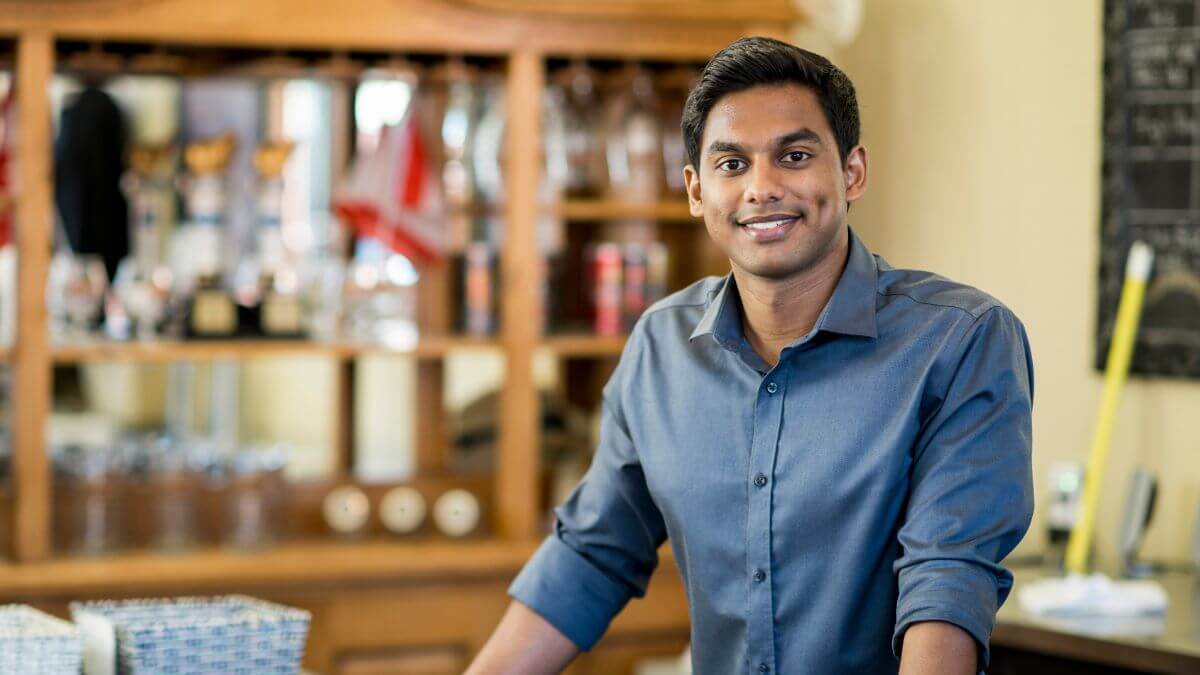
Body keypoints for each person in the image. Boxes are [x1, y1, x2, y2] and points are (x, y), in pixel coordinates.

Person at [466, 36, 1033, 675]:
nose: (761, 188)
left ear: (852, 172)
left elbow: (946, 580)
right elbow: (592, 553)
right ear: (695, 190)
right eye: (731, 164)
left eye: (793, 156)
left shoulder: (962, 341)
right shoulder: (660, 346)